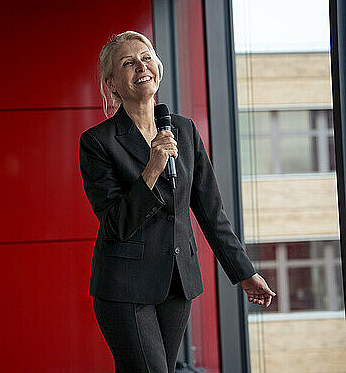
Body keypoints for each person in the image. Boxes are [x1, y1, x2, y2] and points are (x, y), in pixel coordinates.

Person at [78, 31, 276, 373]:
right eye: (128, 63)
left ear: (158, 67)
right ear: (111, 83)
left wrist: (244, 272)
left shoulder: (183, 129)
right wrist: (153, 168)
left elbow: (212, 213)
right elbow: (116, 223)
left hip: (177, 283)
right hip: (124, 287)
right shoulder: (97, 142)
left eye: (145, 57)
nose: (141, 66)